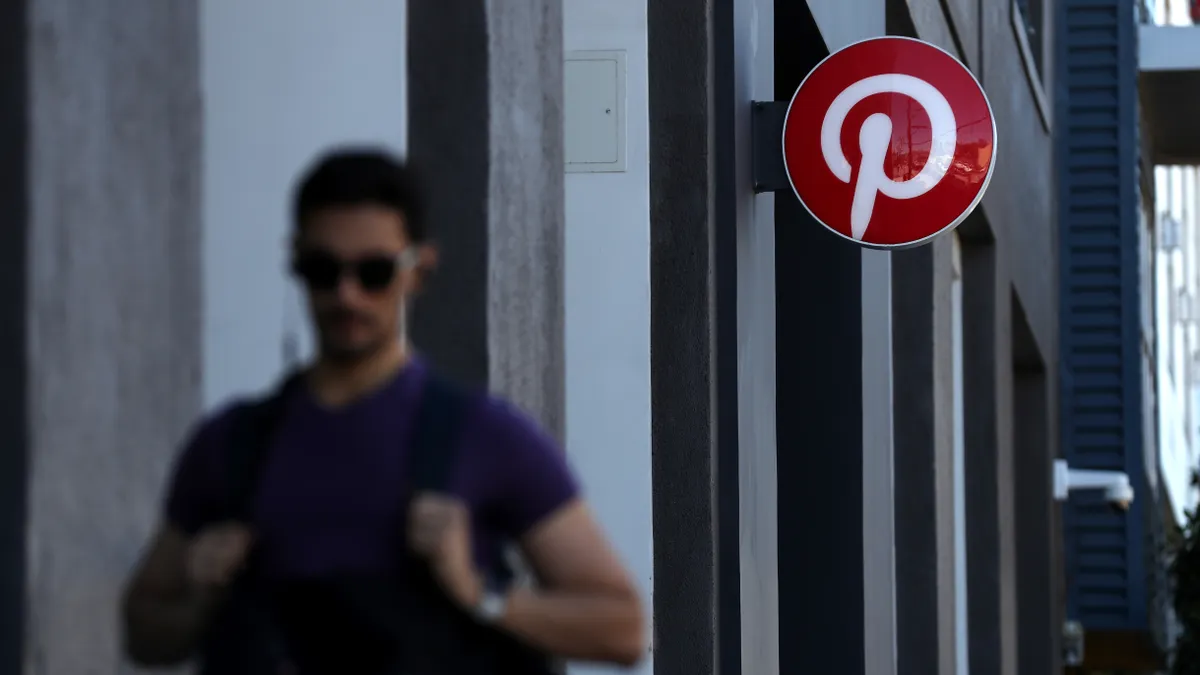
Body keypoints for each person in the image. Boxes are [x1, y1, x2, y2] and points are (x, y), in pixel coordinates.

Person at [120, 148, 646, 672]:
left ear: (419, 269)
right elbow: (143, 632)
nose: (347, 296)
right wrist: (199, 598)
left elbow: (622, 627)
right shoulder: (231, 445)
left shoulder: (484, 437)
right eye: (323, 270)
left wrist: (480, 595)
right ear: (295, 261)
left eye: (373, 272)